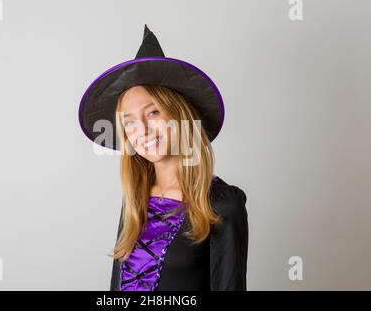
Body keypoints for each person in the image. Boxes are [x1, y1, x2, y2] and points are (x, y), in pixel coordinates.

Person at [78, 25, 248, 291]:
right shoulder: (135, 199)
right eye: (129, 122)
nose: (142, 130)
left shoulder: (221, 205)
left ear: (179, 116)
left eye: (154, 112)